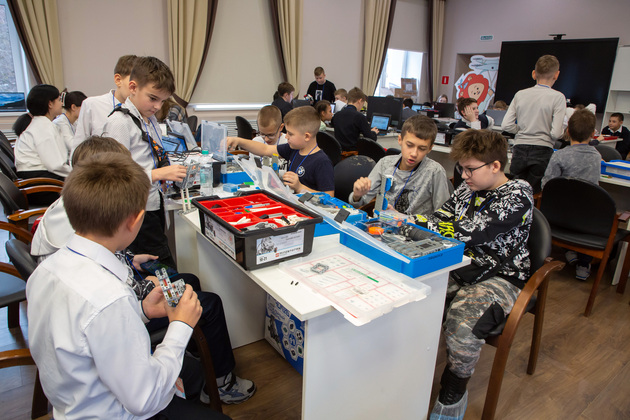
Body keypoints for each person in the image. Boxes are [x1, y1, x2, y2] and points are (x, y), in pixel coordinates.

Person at [30, 135, 256, 405]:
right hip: (120, 403)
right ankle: (219, 380)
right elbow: (143, 397)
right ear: (135, 219)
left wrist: (141, 303)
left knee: (189, 281)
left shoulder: (55, 254)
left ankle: (200, 355)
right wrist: (180, 326)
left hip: (75, 388)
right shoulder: (110, 299)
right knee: (209, 303)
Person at [412, 129, 533, 420]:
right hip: (461, 265)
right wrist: (411, 221)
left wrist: (416, 225)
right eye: (461, 169)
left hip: (501, 275)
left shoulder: (518, 194)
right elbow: (440, 218)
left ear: (495, 166)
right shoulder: (468, 189)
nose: (463, 176)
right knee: (412, 299)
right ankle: (409, 371)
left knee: (462, 326)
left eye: (470, 169)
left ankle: (454, 389)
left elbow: (474, 232)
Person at [102, 56, 187, 269]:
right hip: (136, 211)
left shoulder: (148, 120)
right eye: (153, 98)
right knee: (160, 266)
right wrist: (158, 174)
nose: (158, 106)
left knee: (160, 258)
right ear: (133, 87)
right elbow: (115, 176)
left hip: (152, 203)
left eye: (162, 101)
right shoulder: (119, 123)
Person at [349, 115, 450, 215]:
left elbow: (443, 215)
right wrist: (357, 196)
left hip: (412, 225)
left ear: (430, 148)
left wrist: (403, 218)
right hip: (383, 223)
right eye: (409, 145)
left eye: (422, 149)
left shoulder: (434, 172)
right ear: (400, 140)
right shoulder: (385, 163)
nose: (414, 154)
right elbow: (359, 203)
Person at [542, 109, 601, 281]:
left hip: (559, 216)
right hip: (586, 220)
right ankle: (584, 263)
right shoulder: (596, 157)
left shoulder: (559, 156)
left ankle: (569, 251)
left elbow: (547, 186)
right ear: (593, 134)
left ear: (567, 131)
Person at [227, 106, 334, 195]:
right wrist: (238, 140)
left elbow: (329, 197)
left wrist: (300, 187)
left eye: (290, 134)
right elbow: (264, 149)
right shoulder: (293, 149)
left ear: (306, 136)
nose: (286, 136)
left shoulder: (322, 162)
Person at [502, 54, 566, 194]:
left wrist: (520, 129)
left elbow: (506, 125)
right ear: (556, 75)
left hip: (520, 148)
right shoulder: (558, 97)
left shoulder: (520, 94)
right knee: (533, 194)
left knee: (515, 193)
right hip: (543, 150)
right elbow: (556, 133)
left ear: (533, 73)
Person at [72, 54, 137, 149]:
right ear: (118, 80)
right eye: (134, 84)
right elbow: (78, 145)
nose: (137, 89)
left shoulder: (141, 110)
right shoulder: (92, 105)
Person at [14, 84, 70, 181]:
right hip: (40, 178)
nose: (62, 104)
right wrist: (77, 173)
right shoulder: (43, 127)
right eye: (59, 100)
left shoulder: (40, 123)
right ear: (50, 104)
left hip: (37, 175)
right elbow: (55, 165)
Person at [331, 87, 378, 151]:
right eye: (363, 103)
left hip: (338, 151)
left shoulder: (337, 115)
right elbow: (371, 139)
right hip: (353, 152)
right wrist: (374, 132)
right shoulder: (359, 117)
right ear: (360, 101)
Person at [53, 90, 87, 158]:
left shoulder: (75, 122)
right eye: (84, 107)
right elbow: (72, 145)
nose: (86, 111)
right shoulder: (60, 122)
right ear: (73, 107)